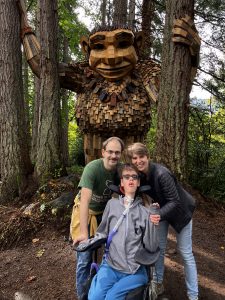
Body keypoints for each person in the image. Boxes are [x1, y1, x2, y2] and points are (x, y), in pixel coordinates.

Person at [126, 142, 198, 300]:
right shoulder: (140, 175)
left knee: (185, 253)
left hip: (181, 211)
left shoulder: (161, 173)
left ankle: (193, 295)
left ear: (148, 156)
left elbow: (175, 201)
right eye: (135, 158)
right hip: (162, 210)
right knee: (158, 249)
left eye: (141, 157)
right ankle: (158, 284)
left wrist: (159, 214)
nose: (138, 161)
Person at [77, 163, 159, 300]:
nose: (131, 179)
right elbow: (102, 233)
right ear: (122, 182)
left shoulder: (144, 212)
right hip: (111, 266)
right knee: (94, 297)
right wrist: (87, 241)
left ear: (138, 182)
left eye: (134, 177)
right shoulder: (112, 205)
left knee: (112, 297)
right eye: (127, 177)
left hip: (134, 270)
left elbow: (151, 246)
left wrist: (152, 222)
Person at [70, 136, 124, 299]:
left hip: (104, 214)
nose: (113, 156)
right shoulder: (92, 168)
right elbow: (85, 201)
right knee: (84, 257)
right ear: (103, 152)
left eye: (117, 152)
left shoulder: (119, 170)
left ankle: (104, 286)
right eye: (110, 152)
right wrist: (85, 234)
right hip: (86, 213)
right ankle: (82, 295)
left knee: (113, 250)